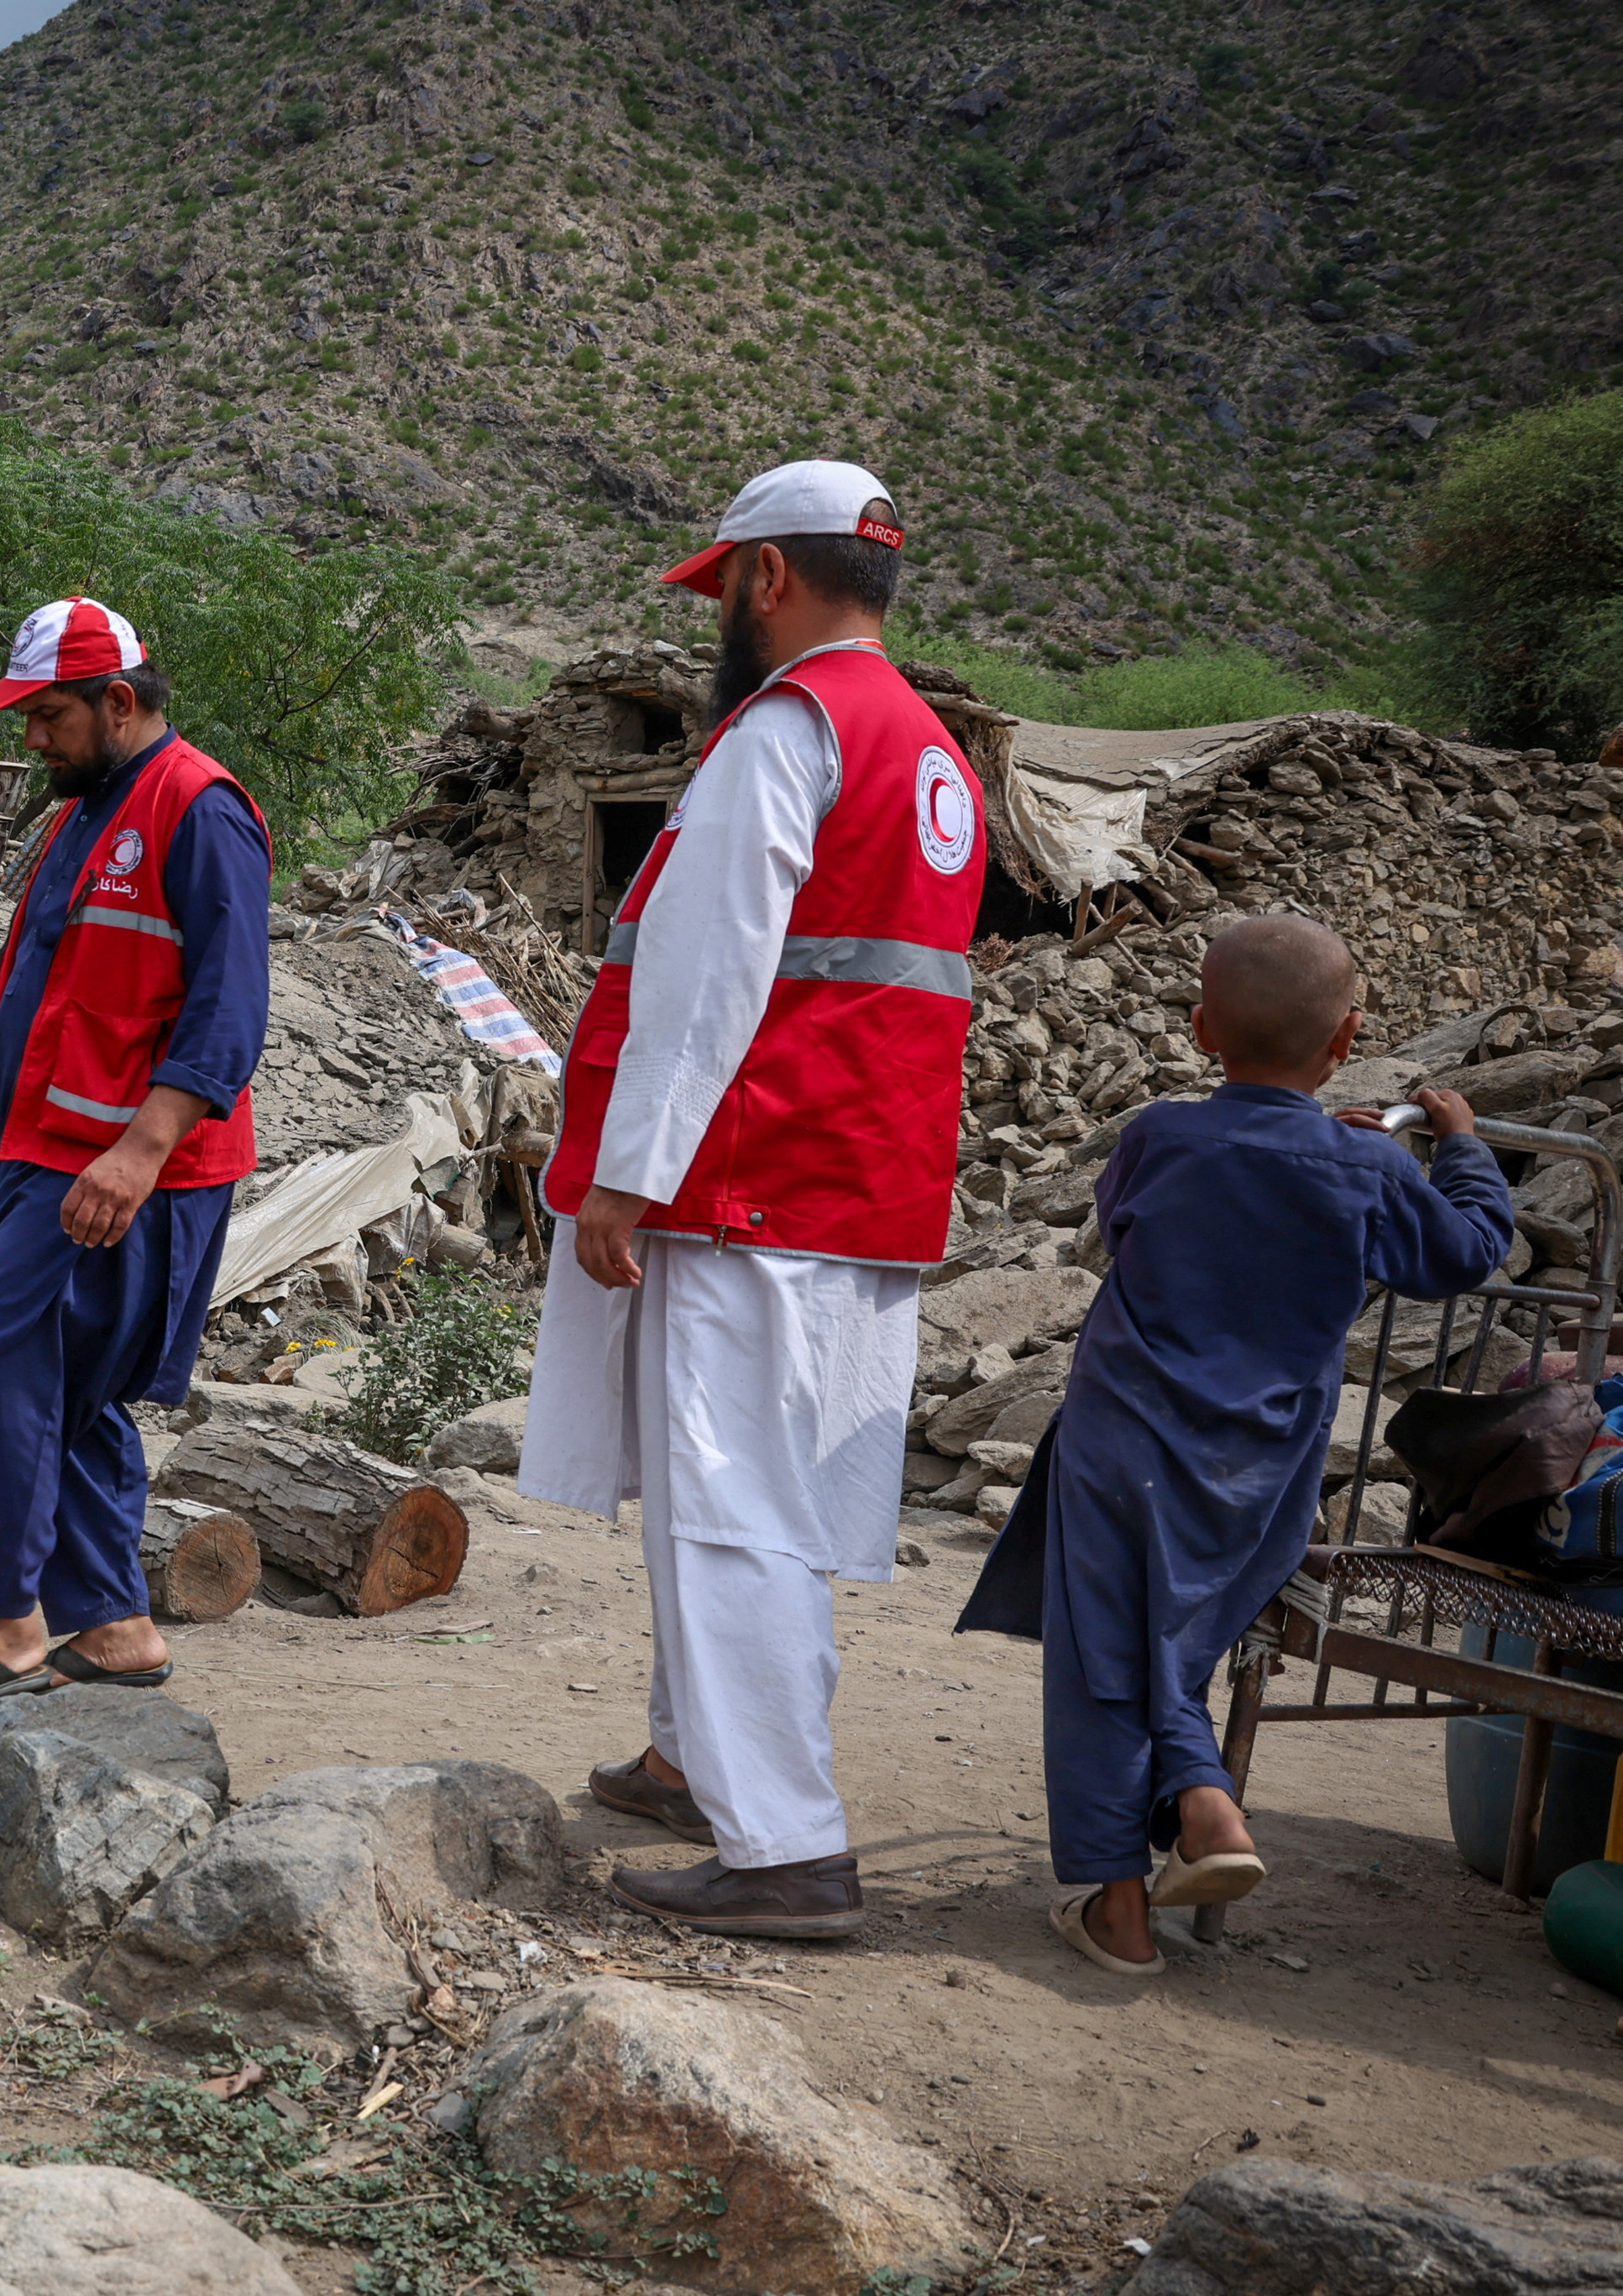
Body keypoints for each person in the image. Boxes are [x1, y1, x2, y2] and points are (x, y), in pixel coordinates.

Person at [519, 458, 989, 1941]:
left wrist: (627, 1177)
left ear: (768, 577)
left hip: (754, 1187)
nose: (719, 612)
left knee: (733, 1515)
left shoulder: (784, 733)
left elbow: (702, 980)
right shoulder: (931, 754)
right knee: (772, 1507)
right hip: (863, 1196)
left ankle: (784, 1847)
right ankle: (687, 1757)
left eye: (723, 583)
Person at [960, 918, 1511, 1973]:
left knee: (1105, 1656)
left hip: (1122, 1438)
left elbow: (1120, 1226)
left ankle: (1131, 1902)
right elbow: (1467, 1254)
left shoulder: (1159, 1136)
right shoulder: (1370, 1169)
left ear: (1202, 1027)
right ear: (1346, 1040)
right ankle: (1205, 1804)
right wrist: (1462, 1148)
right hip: (1258, 1469)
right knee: (1173, 1643)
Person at [0, 598, 269, 1703]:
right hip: (30, 1146)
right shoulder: (82, 812)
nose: (31, 738)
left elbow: (228, 1011)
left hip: (113, 1162)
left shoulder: (200, 810)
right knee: (70, 1389)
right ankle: (112, 1626)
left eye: (47, 715)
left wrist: (141, 1152)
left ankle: (6, 1619)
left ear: (118, 701)